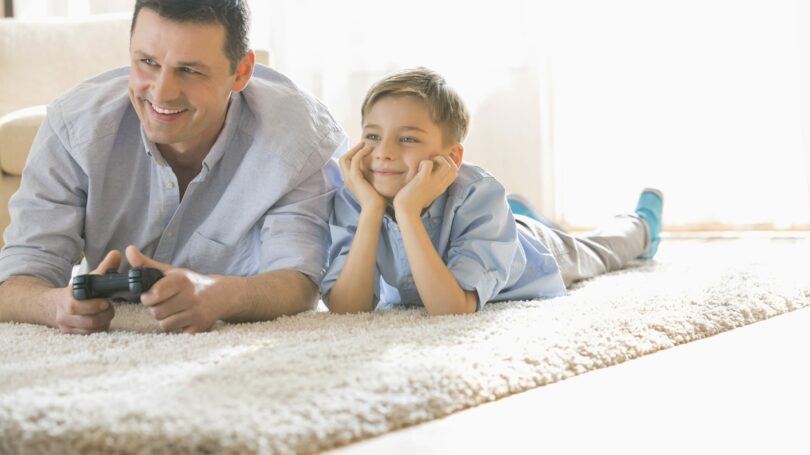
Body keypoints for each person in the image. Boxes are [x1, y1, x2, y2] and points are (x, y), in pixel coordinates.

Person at [0, 0, 347, 334]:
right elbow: (15, 281)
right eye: (147, 62)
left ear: (240, 72)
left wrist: (218, 295)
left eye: (189, 70)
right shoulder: (74, 127)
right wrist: (55, 305)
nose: (162, 94)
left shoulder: (299, 139)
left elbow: (300, 283)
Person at [320, 67, 663, 315]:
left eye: (407, 138)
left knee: (599, 253)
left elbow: (451, 308)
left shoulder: (478, 193)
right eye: (373, 136)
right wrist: (371, 211)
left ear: (450, 157)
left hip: (531, 255)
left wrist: (407, 213)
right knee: (507, 218)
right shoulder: (358, 194)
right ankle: (519, 213)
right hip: (493, 227)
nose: (383, 153)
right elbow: (348, 308)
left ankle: (641, 226)